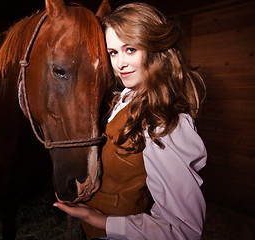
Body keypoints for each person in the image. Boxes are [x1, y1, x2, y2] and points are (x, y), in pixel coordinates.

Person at [53, 2, 207, 240]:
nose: (119, 64)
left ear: (156, 49)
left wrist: (102, 221)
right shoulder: (123, 99)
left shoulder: (164, 123)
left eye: (131, 50)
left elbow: (183, 230)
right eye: (113, 52)